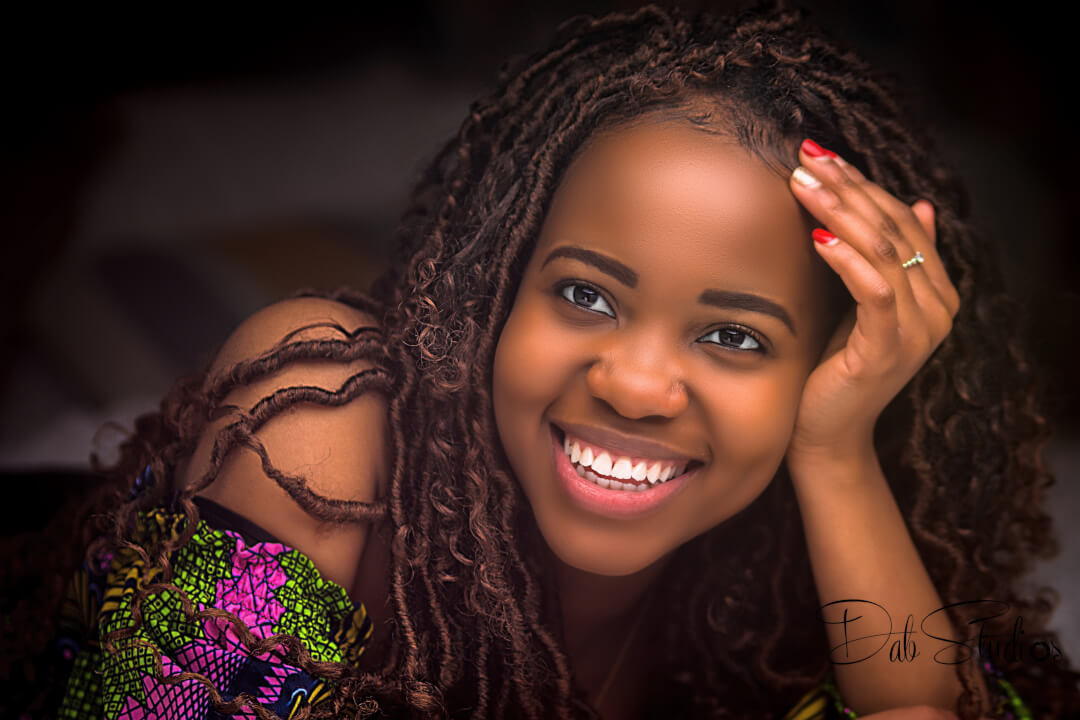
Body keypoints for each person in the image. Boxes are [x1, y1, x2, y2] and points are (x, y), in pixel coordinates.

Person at [26, 2, 1079, 718]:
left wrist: (837, 452)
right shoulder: (321, 416)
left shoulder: (777, 552)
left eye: (735, 336)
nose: (633, 383)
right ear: (496, 286)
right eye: (585, 295)